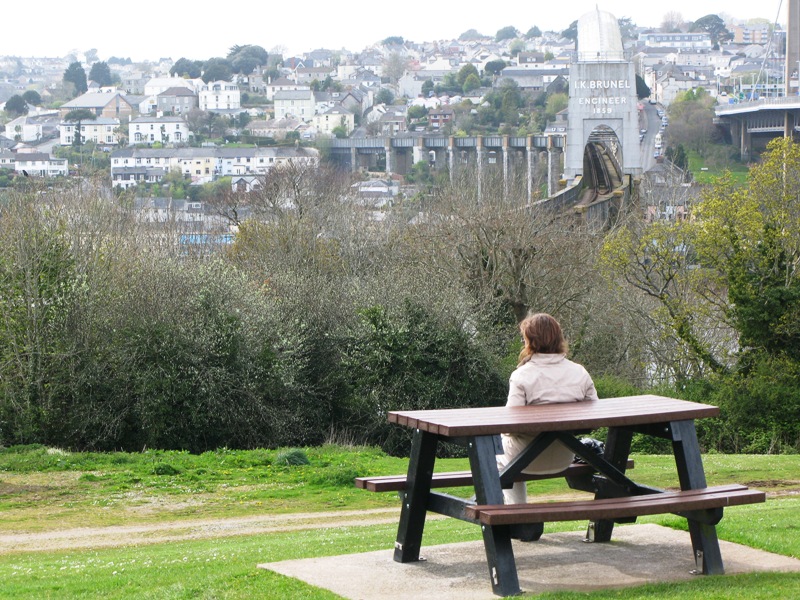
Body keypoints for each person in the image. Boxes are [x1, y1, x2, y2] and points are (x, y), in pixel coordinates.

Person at [497, 313, 598, 506]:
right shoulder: (579, 372)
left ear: (529, 341)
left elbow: (510, 426)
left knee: (490, 453)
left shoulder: (521, 376)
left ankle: (517, 514)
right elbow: (594, 418)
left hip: (524, 458)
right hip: (565, 454)